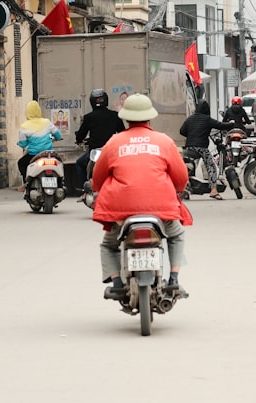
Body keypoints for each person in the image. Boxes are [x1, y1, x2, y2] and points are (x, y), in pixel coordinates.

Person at [92, 93, 192, 299]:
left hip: (121, 211)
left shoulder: (113, 142)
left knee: (109, 245)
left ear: (126, 118)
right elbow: (181, 178)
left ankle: (117, 283)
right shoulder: (163, 141)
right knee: (176, 235)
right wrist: (178, 190)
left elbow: (98, 179)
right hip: (161, 210)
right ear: (150, 117)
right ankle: (173, 279)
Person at [74, 89, 126, 193]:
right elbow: (123, 133)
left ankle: (84, 190)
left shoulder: (89, 117)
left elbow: (80, 135)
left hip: (95, 152)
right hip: (111, 151)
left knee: (79, 163)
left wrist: (79, 139)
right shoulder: (115, 115)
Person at [179, 100, 231, 200]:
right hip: (202, 148)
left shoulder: (190, 119)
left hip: (189, 148)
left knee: (188, 167)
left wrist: (191, 134)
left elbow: (182, 131)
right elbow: (220, 125)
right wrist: (232, 124)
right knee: (211, 166)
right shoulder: (207, 119)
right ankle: (213, 190)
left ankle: (184, 187)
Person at [16, 100, 62, 191]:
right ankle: (61, 183)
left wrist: (21, 144)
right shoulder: (47, 122)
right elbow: (58, 135)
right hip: (48, 153)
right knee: (60, 163)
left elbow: (23, 143)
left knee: (21, 163)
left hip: (34, 155)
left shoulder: (24, 126)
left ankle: (27, 183)